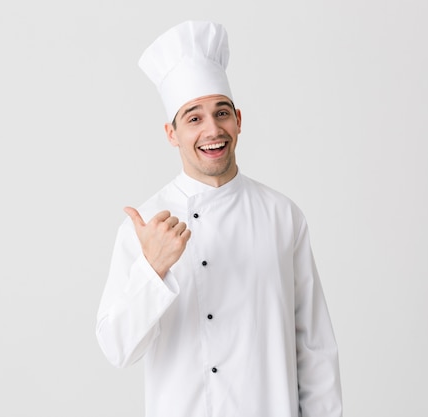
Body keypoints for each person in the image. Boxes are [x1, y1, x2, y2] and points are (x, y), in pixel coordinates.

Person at [95, 20, 342, 417]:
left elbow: (314, 347)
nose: (212, 129)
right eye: (193, 117)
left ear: (238, 120)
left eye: (221, 113)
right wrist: (153, 269)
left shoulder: (282, 215)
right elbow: (117, 348)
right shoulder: (144, 227)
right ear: (171, 133)